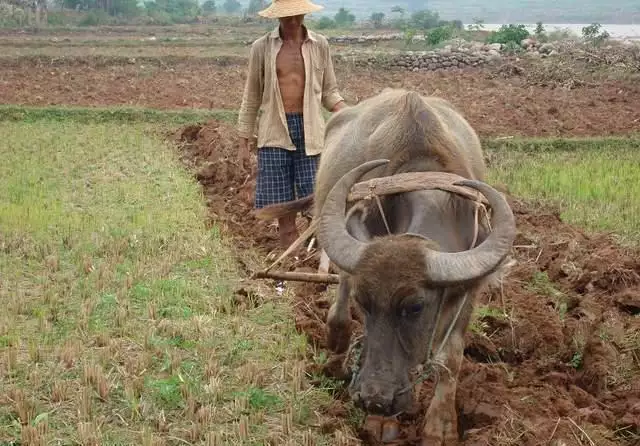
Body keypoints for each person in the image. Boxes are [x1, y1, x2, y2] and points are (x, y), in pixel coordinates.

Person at [237, 0, 345, 248]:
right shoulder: (261, 48)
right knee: (283, 207)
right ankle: (291, 263)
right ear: (277, 18)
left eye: (298, 15)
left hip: (312, 133)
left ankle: (317, 255)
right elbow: (251, 97)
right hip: (274, 132)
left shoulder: (320, 45)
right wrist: (243, 142)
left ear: (304, 13)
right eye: (287, 17)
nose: (294, 22)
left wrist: (350, 114)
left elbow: (329, 92)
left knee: (316, 199)